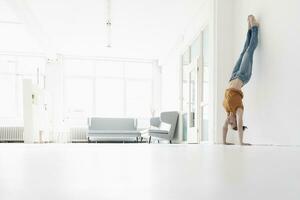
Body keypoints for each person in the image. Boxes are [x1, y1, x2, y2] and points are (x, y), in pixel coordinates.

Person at [222, 15, 259, 145]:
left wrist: (224, 141)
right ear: (236, 120)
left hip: (233, 75)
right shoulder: (238, 110)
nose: (228, 120)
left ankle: (248, 31)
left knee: (243, 51)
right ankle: (255, 28)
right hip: (243, 75)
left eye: (229, 122)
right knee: (249, 51)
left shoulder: (228, 110)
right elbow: (240, 122)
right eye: (232, 122)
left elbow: (223, 128)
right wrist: (241, 142)